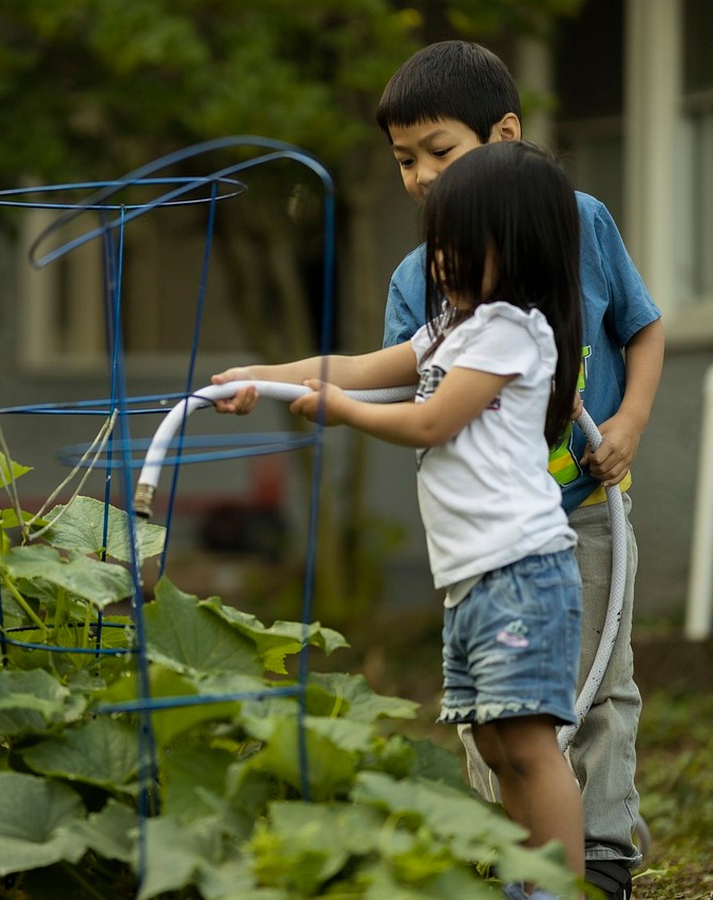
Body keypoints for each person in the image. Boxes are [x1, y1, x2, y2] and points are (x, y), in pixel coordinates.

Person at [215, 140, 587, 898]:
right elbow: (349, 367)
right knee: (491, 742)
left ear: (515, 247)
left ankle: (560, 890)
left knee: (528, 744)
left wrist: (343, 413)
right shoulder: (449, 331)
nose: (441, 262)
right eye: (437, 245)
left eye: (459, 246)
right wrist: (258, 377)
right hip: (473, 580)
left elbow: (429, 422)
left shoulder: (515, 329)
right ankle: (525, 882)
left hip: (521, 571)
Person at [373, 41, 663, 900]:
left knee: (600, 683)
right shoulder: (418, 277)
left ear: (505, 134)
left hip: (585, 505)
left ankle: (602, 851)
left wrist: (630, 422)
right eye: (403, 161)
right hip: (492, 537)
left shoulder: (583, 224)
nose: (423, 177)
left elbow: (643, 329)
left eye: (440, 152)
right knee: (493, 700)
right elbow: (407, 388)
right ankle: (514, 850)